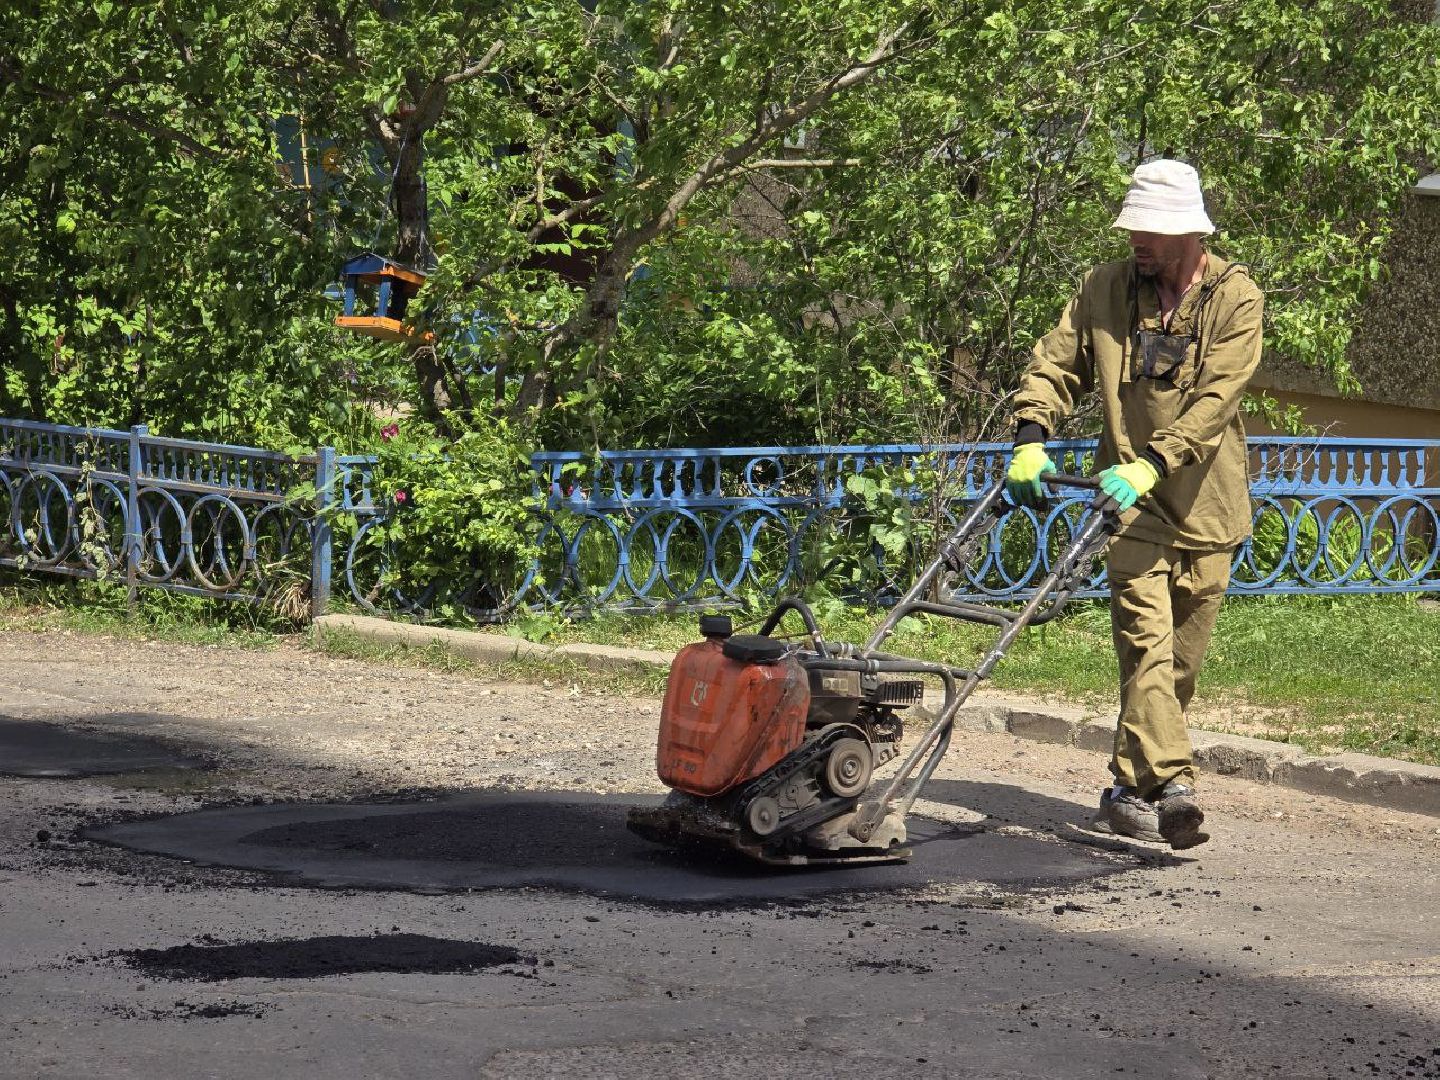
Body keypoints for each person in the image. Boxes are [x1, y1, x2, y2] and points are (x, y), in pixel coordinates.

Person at [1004, 159, 1264, 850]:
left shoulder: (1237, 300)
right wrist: (1032, 435)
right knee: (1145, 646)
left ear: (1185, 232)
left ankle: (1126, 787)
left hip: (1207, 505)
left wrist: (1157, 462)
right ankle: (1174, 786)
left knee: (1178, 667)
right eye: (1130, 229)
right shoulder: (1106, 288)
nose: (1134, 241)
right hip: (1130, 504)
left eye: (1146, 229)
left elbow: (1217, 400)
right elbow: (1057, 363)